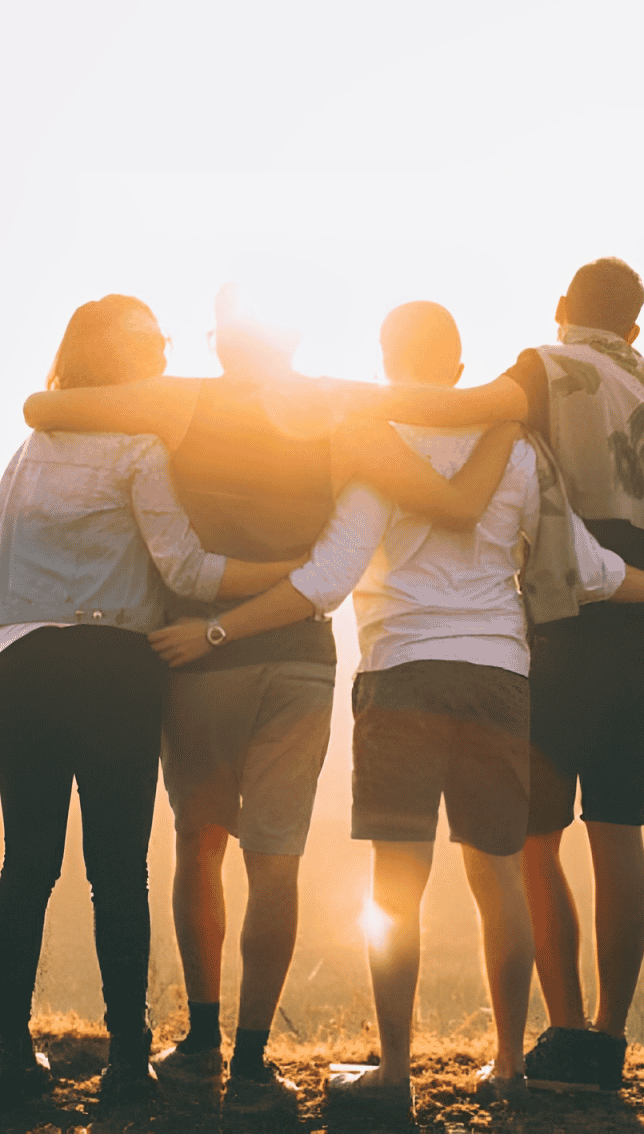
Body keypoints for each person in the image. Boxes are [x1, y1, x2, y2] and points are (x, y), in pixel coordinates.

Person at [148, 299, 644, 1120]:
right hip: (499, 678)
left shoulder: (376, 446)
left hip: (401, 675)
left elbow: (326, 580)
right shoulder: (517, 449)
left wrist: (218, 628)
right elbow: (587, 569)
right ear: (457, 369)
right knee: (499, 881)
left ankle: (395, 1073)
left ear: (386, 360)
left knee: (396, 887)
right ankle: (511, 1067)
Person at [20, 289, 527, 1115]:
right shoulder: (336, 406)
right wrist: (507, 410)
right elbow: (434, 450)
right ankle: (255, 1064)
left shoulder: (181, 399)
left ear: (223, 343)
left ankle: (201, 1044)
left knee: (199, 844)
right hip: (301, 658)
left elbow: (49, 403)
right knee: (277, 859)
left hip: (198, 656)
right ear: (294, 336)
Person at [338, 259, 644, 1090]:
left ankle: (562, 1032)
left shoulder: (549, 368)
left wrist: (341, 400)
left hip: (567, 623)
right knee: (620, 828)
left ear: (564, 308)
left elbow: (457, 410)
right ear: (637, 329)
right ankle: (604, 1043)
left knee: (530, 842)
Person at [0, 296, 308, 1108]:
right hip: (114, 673)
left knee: (24, 867)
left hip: (22, 668)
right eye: (155, 343)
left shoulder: (30, 451)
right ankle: (130, 1062)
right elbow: (186, 571)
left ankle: (5, 1054)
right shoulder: (140, 448)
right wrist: (285, 579)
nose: (168, 355)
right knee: (117, 872)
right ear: (127, 360)